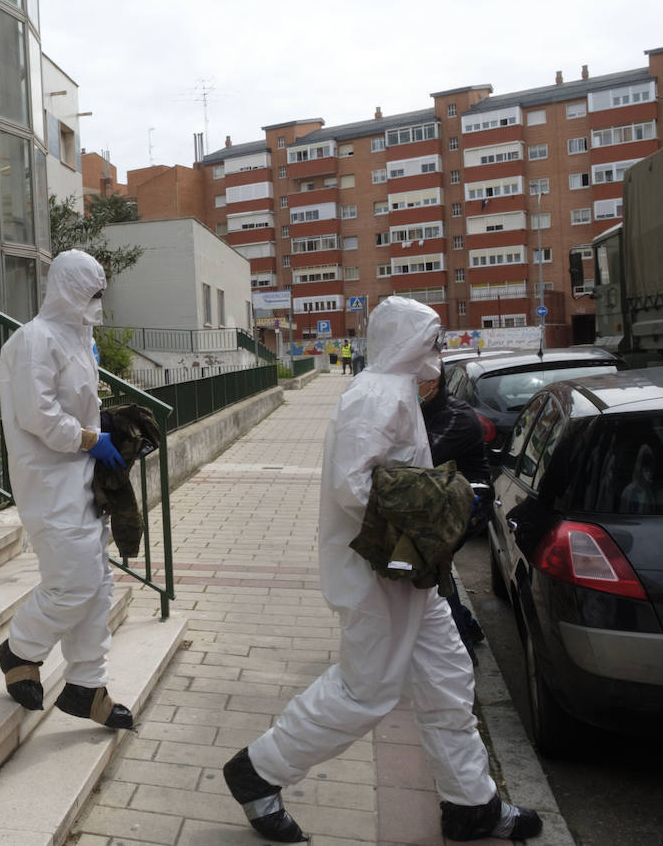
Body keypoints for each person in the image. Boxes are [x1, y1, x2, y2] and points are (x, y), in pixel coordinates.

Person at [222, 297, 541, 843]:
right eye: (432, 339)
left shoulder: (393, 390)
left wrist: (448, 500)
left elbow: (393, 477)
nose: (438, 351)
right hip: (377, 575)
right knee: (365, 691)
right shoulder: (376, 395)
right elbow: (354, 485)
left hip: (408, 572)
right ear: (409, 340)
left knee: (446, 679)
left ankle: (472, 804)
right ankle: (258, 772)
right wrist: (444, 500)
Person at [0, 249, 135, 731]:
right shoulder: (34, 341)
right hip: (48, 483)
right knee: (72, 583)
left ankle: (86, 686)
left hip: (82, 481)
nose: (97, 302)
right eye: (91, 293)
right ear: (70, 289)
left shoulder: (79, 339)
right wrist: (92, 439)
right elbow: (38, 414)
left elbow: (80, 405)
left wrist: (103, 429)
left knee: (96, 584)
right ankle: (19, 648)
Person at [419, 370, 490, 656]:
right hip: (440, 501)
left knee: (434, 570)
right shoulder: (425, 409)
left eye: (413, 380)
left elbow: (422, 458)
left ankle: (463, 653)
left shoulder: (456, 417)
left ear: (432, 383)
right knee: (433, 572)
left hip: (467, 505)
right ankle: (468, 627)